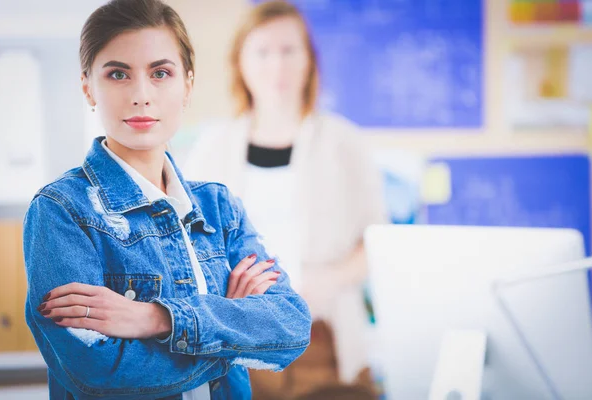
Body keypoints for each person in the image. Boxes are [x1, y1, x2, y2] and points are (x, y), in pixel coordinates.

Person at [23, 1, 311, 399]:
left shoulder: (218, 207)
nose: (142, 95)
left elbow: (291, 325)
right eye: (118, 74)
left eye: (160, 73)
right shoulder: (62, 211)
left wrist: (154, 319)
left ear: (187, 85)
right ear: (88, 87)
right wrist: (233, 335)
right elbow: (98, 373)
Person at [182, 1, 387, 397]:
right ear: (239, 62)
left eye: (289, 50)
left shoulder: (345, 143)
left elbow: (378, 240)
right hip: (242, 347)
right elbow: (188, 247)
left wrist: (330, 279)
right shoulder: (213, 148)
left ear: (309, 60)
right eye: (262, 51)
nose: (277, 65)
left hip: (326, 344)